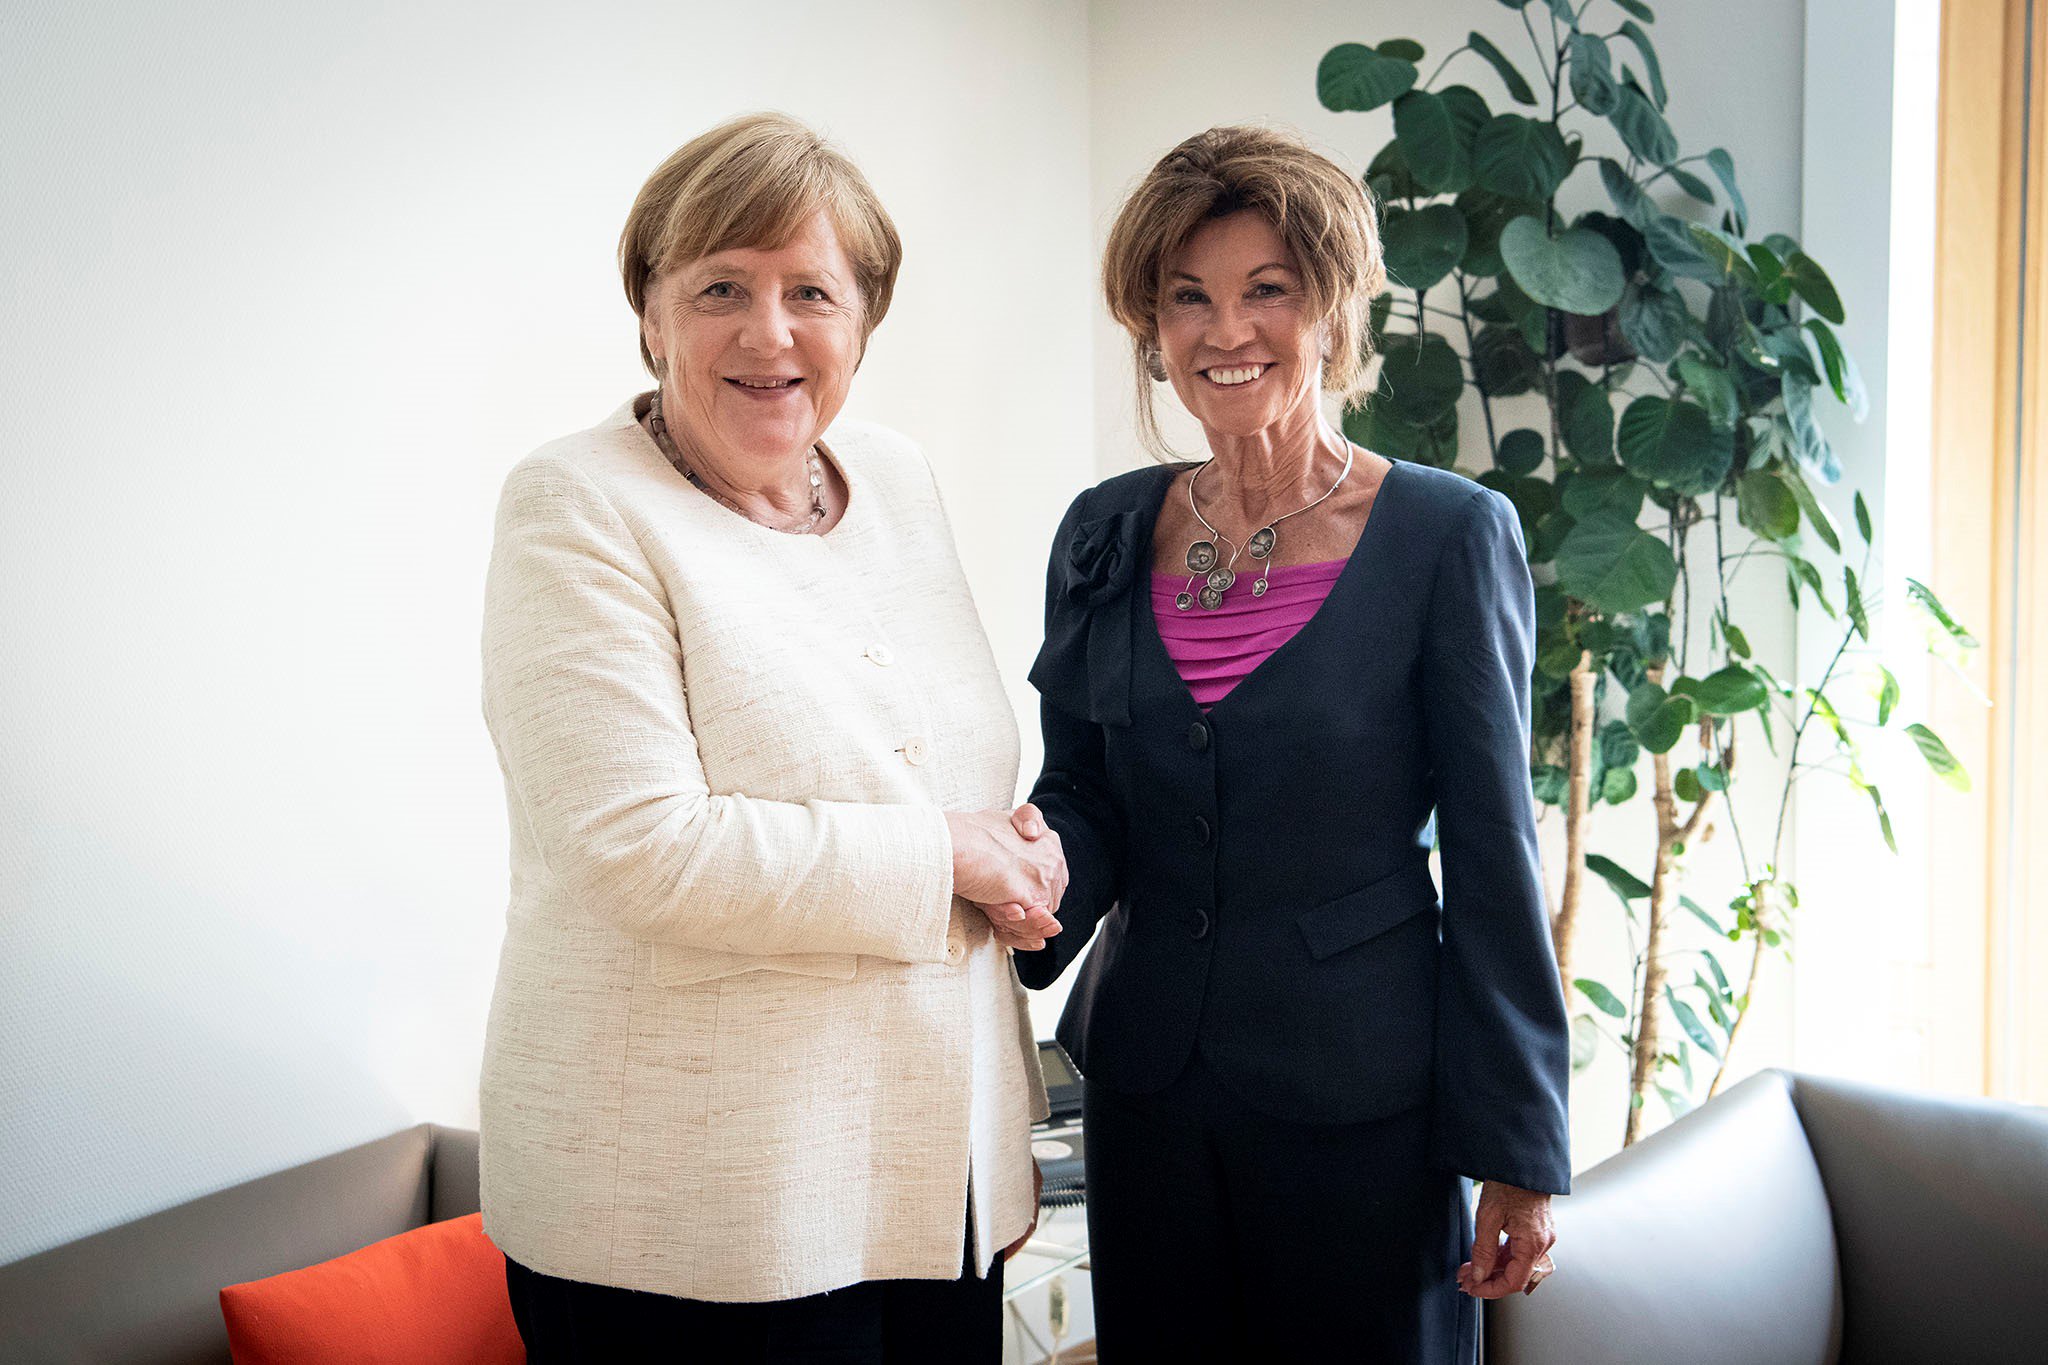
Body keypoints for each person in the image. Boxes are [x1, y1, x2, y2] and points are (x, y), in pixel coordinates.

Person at [477, 111, 1065, 1364]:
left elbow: (936, 767)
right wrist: (955, 856)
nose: (769, 332)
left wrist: (1016, 854)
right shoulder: (576, 503)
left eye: (811, 292)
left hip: (931, 1184)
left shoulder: (893, 476)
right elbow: (641, 849)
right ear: (649, 313)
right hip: (688, 1213)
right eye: (720, 289)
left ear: (863, 321)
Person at [1008, 125, 1571, 1361]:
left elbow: (1493, 851)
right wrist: (1023, 871)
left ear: (1330, 309)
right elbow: (1083, 789)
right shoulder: (1104, 530)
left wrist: (1517, 1150)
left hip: (1361, 1093)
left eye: (1265, 290)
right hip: (1148, 1086)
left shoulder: (1446, 534)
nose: (1226, 331)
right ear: (1150, 327)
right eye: (1187, 297)